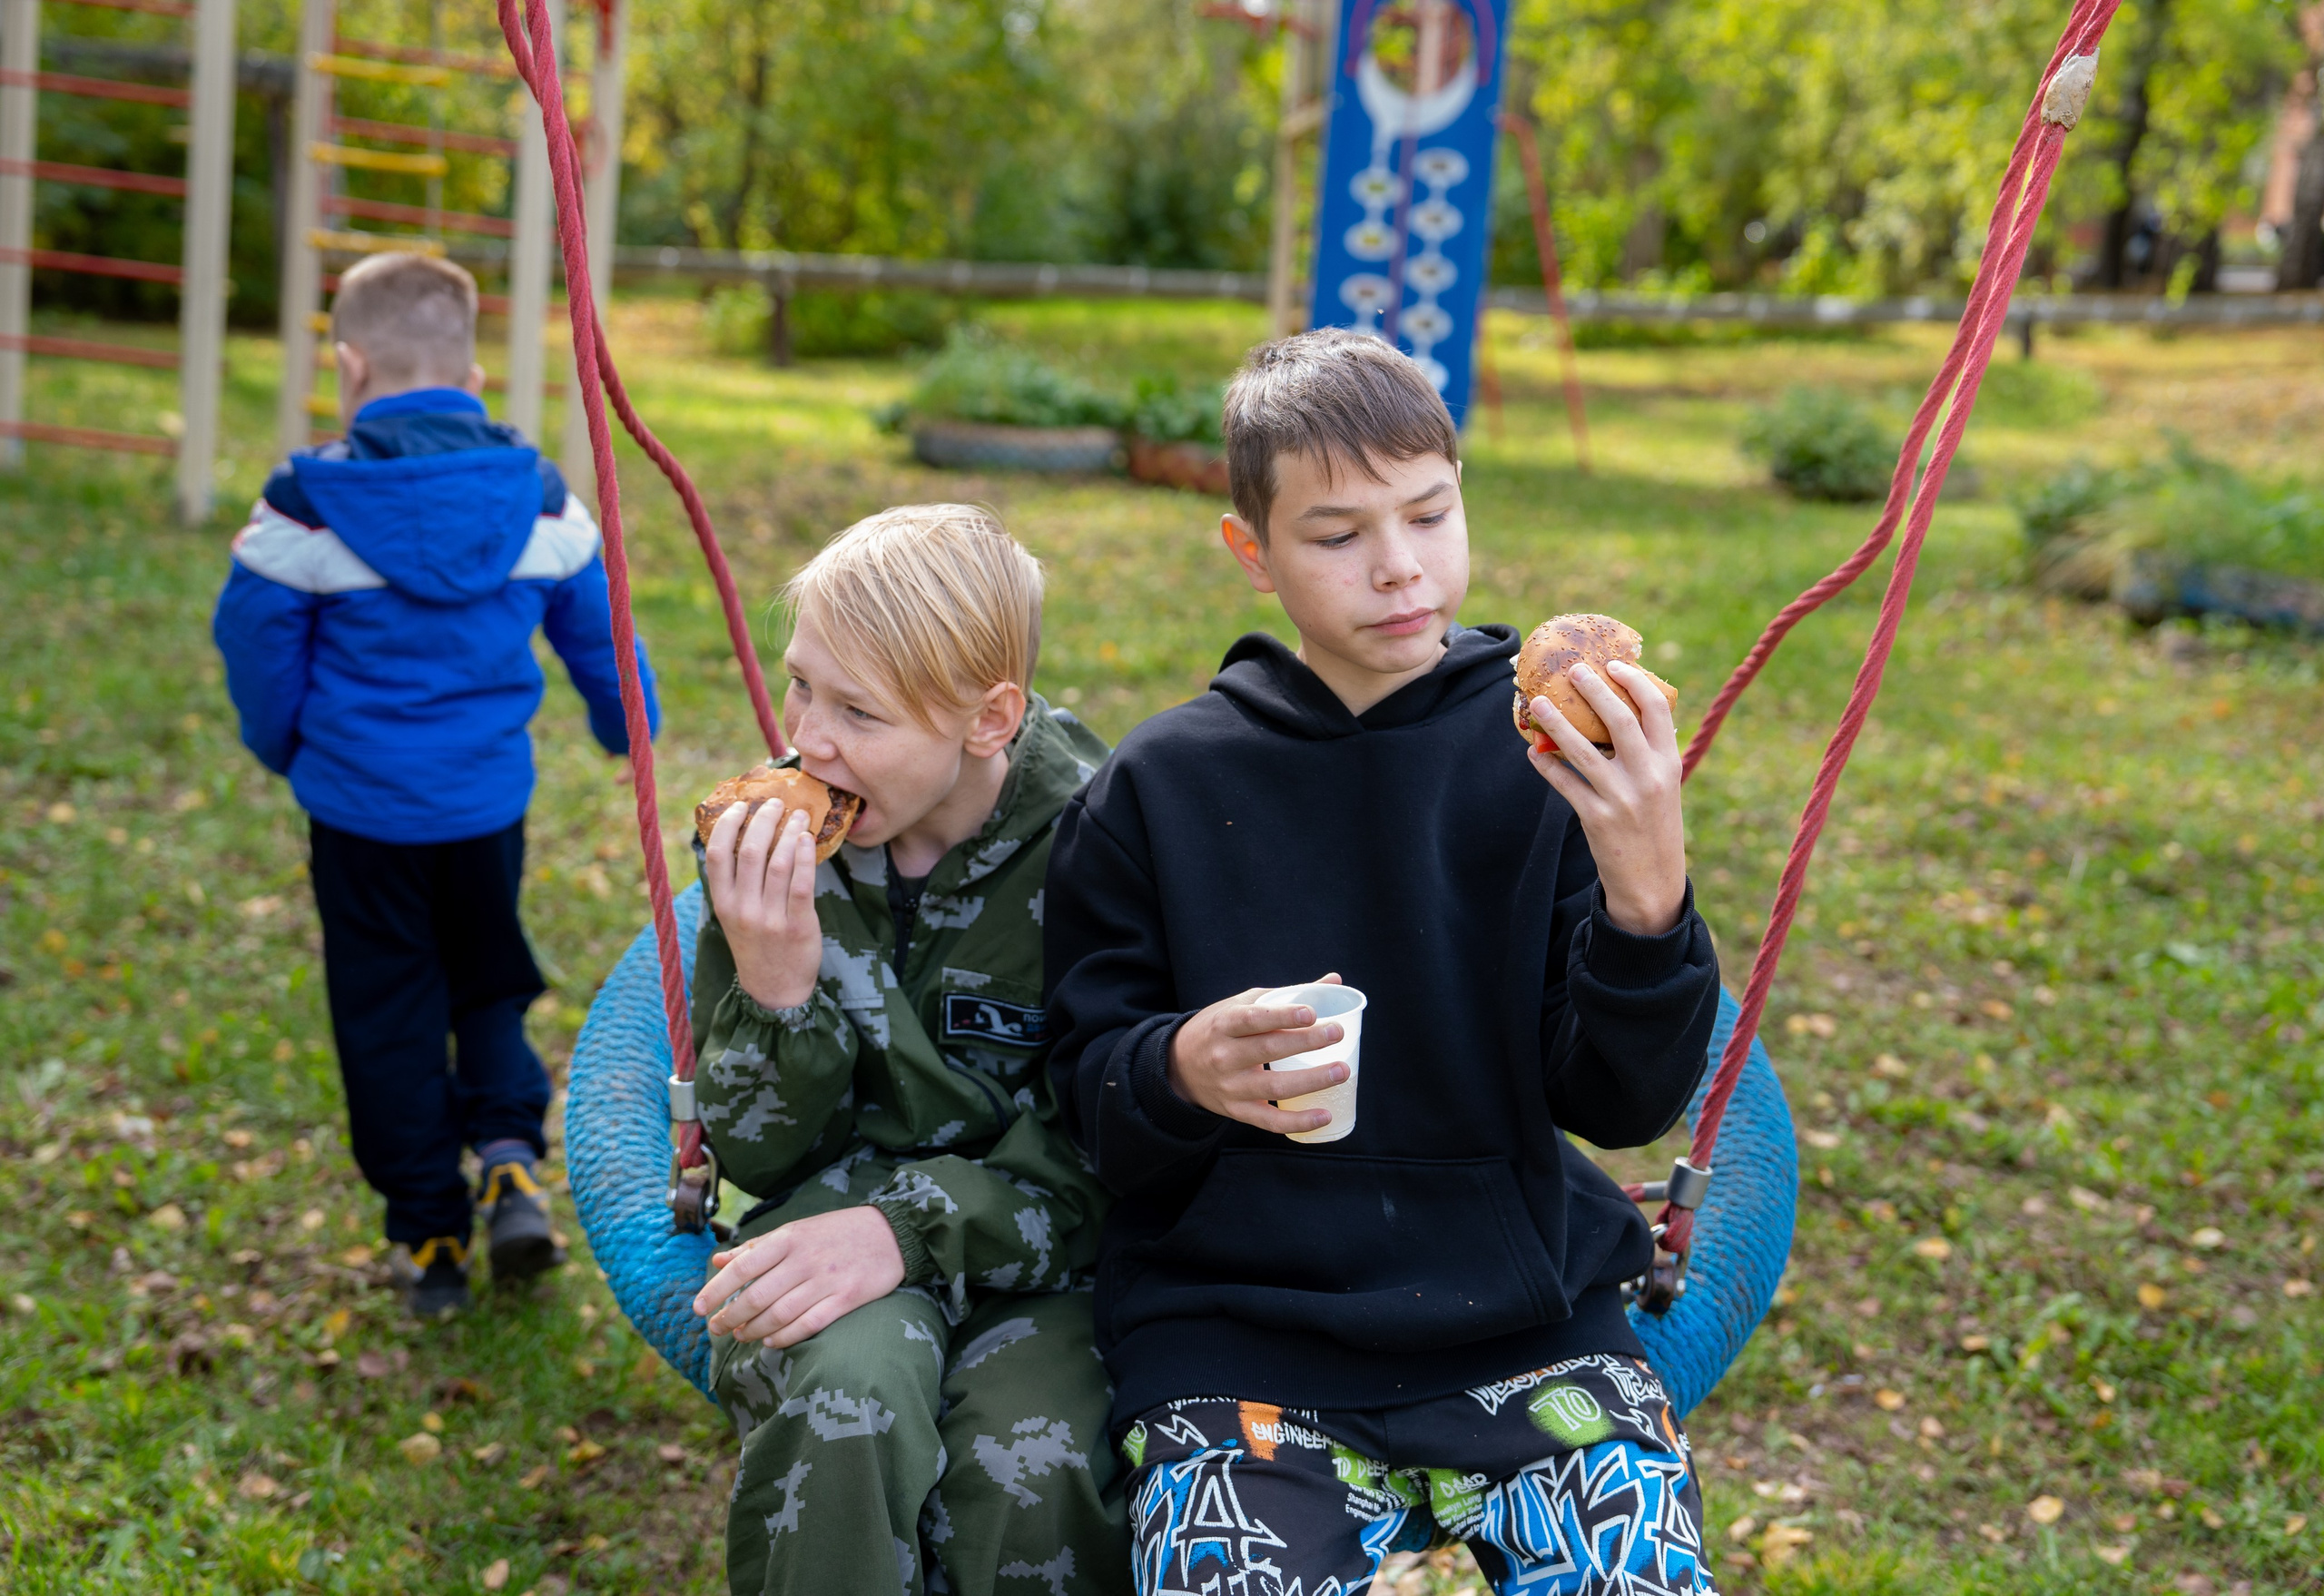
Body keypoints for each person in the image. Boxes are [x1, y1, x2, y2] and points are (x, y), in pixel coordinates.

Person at [1043, 328, 1725, 1596]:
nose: (1400, 565)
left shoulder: (1551, 759)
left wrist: (1647, 894)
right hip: (1237, 1337)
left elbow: (1622, 1101)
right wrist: (1177, 1068)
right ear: (1252, 551)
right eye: (1337, 534)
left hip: (1527, 1324)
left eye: (1429, 513)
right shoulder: (1159, 788)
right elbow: (1085, 1100)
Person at [687, 504, 1128, 1596]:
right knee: (845, 1404)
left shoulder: (1109, 852)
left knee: (1033, 1467)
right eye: (802, 685)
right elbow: (760, 1158)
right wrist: (776, 987)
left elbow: (1119, 1147)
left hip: (1049, 1264)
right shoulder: (779, 848)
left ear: (989, 719)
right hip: (820, 1232)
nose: (809, 740)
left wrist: (911, 1229)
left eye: (860, 711)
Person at [212, 251, 656, 1317]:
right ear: (473, 379)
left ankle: (428, 1236)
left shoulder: (306, 507)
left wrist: (286, 747)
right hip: (483, 810)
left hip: (360, 817)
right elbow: (604, 634)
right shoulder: (538, 498)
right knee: (487, 975)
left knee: (386, 1009)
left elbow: (256, 646)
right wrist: (625, 728)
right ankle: (508, 1156)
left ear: (351, 366)